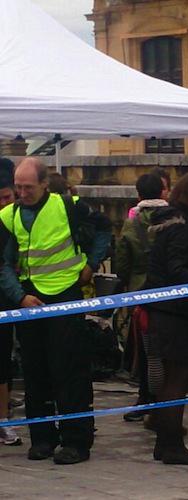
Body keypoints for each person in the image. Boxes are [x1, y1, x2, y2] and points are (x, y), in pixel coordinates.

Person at [0, 158, 109, 464]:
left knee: (70, 370)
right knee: (35, 370)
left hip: (66, 295)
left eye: (29, 187)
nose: (23, 193)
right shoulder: (8, 216)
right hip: (30, 300)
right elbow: (3, 264)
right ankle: (42, 438)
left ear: (45, 184)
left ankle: (76, 441)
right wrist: (20, 297)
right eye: (18, 187)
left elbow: (104, 228)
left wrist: (91, 264)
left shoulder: (68, 206)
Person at [143, 173, 188, 465]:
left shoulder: (178, 223)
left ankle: (165, 442)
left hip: (169, 310)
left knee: (174, 377)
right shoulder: (181, 227)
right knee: (178, 377)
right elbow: (176, 271)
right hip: (174, 312)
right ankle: (172, 445)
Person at [117, 173, 169, 423]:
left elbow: (122, 262)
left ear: (138, 195)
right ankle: (165, 400)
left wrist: (129, 280)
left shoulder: (131, 224)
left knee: (144, 350)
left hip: (141, 292)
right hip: (169, 290)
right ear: (163, 192)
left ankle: (145, 397)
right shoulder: (174, 218)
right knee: (166, 350)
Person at [0, 158, 21, 446]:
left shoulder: (17, 221)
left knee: (3, 362)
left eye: (8, 197)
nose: (4, 204)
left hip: (6, 300)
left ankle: (3, 420)